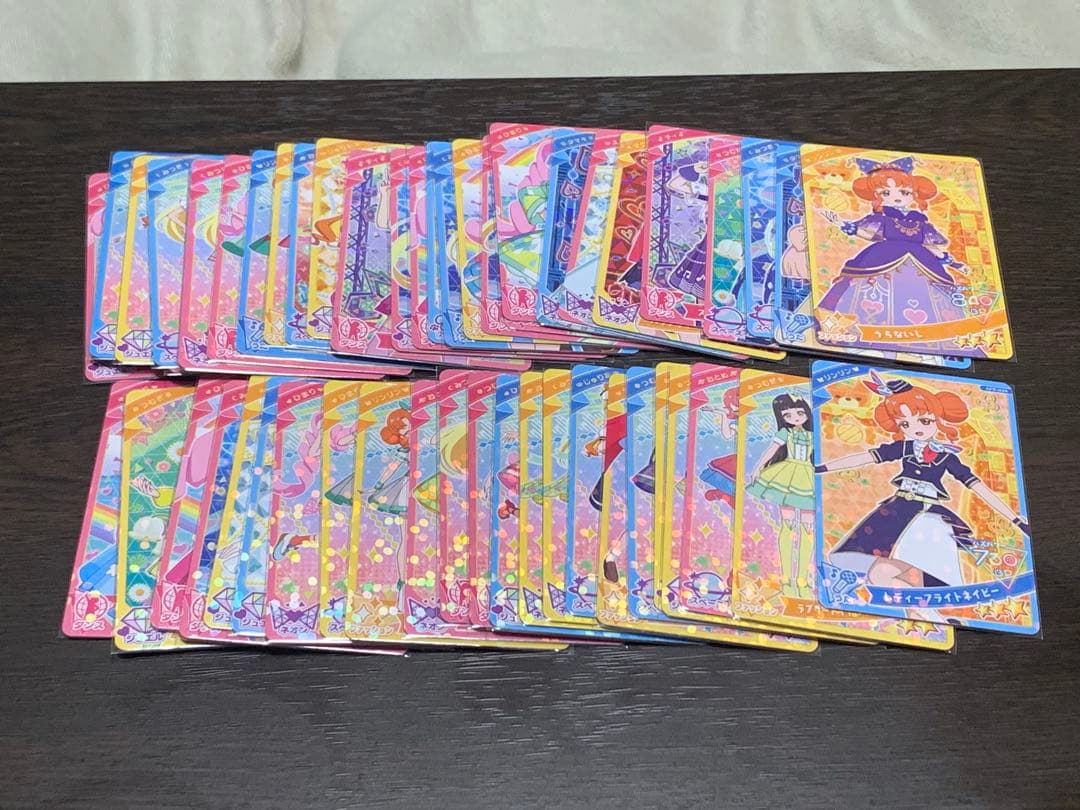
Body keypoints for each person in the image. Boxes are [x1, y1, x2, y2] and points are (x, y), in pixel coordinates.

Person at [817, 371, 1028, 590]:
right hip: (895, 511)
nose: (915, 428)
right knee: (878, 570)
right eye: (904, 424)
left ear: (938, 418)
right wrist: (821, 467)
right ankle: (912, 602)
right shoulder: (904, 448)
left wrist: (1016, 520)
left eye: (924, 421)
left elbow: (978, 486)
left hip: (928, 517)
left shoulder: (947, 457)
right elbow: (865, 457)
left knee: (929, 569)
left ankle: (932, 599)